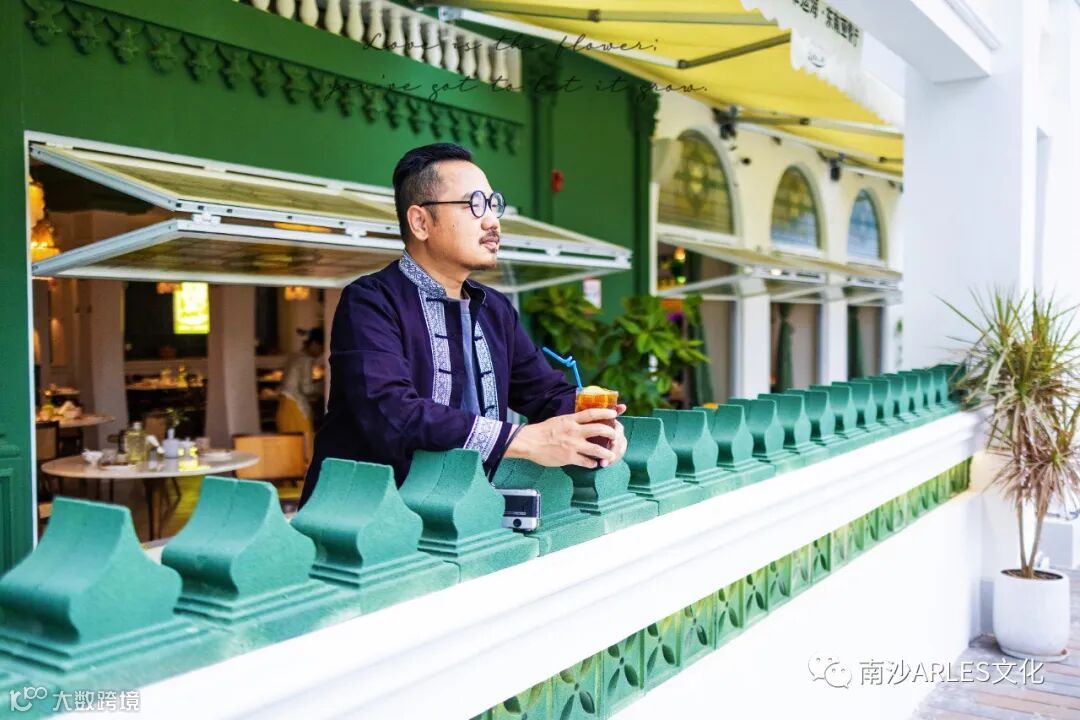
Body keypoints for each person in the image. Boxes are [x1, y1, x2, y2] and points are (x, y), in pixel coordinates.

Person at [299, 143, 627, 505]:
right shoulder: (370, 301)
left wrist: (595, 422)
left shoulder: (495, 310)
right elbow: (391, 412)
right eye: (474, 205)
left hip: (468, 513)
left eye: (494, 205)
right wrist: (524, 440)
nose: (492, 221)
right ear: (420, 222)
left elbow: (545, 392)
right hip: (366, 515)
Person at [276, 327, 324, 459]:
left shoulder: (294, 356)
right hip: (295, 408)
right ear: (314, 344)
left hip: (284, 408)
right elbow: (306, 389)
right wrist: (325, 385)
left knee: (290, 451)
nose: (321, 353)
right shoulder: (305, 360)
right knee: (303, 450)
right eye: (321, 348)